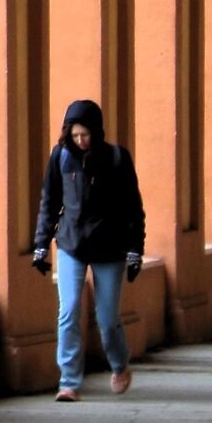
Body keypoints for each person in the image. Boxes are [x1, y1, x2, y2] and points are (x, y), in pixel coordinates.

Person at [29, 98, 146, 402]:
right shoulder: (61, 157)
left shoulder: (117, 159)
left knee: (107, 318)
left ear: (97, 131)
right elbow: (50, 203)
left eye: (86, 135)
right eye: (75, 135)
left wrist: (136, 249)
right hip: (71, 244)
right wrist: (41, 244)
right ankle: (68, 381)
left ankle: (120, 365)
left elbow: (133, 208)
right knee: (68, 311)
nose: (80, 141)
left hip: (110, 247)